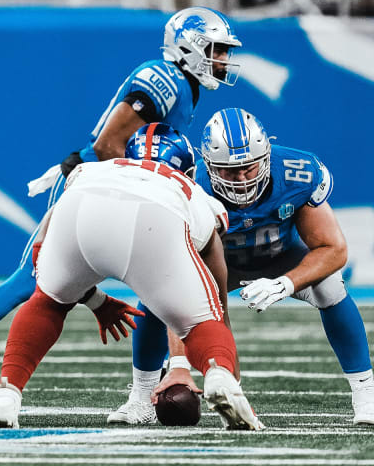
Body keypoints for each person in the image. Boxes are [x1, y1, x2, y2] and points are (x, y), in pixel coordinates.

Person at [0, 6, 244, 397]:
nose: (222, 60)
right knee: (31, 282)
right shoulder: (165, 77)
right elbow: (108, 143)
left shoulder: (183, 84)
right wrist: (139, 192)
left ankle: (153, 375)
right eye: (216, 49)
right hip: (96, 187)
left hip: (111, 188)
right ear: (187, 48)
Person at [0, 123, 264, 431]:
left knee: (47, 302)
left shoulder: (93, 170)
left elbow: (44, 247)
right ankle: (219, 379)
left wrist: (96, 300)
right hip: (158, 216)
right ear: (188, 169)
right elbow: (214, 285)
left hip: (81, 205)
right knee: (203, 322)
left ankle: (7, 394)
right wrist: (217, 346)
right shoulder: (196, 194)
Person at [112, 108, 374, 426]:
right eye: (228, 171)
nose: (241, 178)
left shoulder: (297, 172)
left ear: (265, 157)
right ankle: (141, 397)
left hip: (279, 257)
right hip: (214, 263)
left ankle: (367, 392)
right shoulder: (188, 186)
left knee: (329, 286)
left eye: (249, 168)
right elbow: (173, 271)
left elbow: (333, 249)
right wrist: (179, 362)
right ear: (208, 166)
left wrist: (285, 284)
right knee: (157, 295)